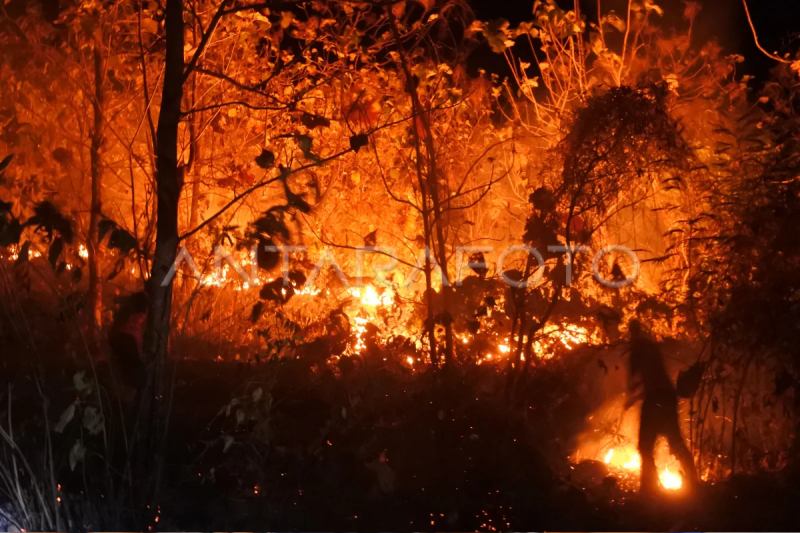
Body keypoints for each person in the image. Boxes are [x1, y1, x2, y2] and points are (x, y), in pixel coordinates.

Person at [626, 319, 698, 494]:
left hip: (655, 398)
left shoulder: (636, 349)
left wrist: (631, 395)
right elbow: (655, 377)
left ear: (631, 333)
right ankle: (694, 483)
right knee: (675, 440)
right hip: (667, 396)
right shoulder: (652, 348)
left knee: (645, 446)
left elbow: (633, 381)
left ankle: (648, 490)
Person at [108, 291, 149, 392]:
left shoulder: (120, 329)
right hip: (126, 391)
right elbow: (133, 374)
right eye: (142, 316)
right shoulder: (127, 339)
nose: (142, 321)